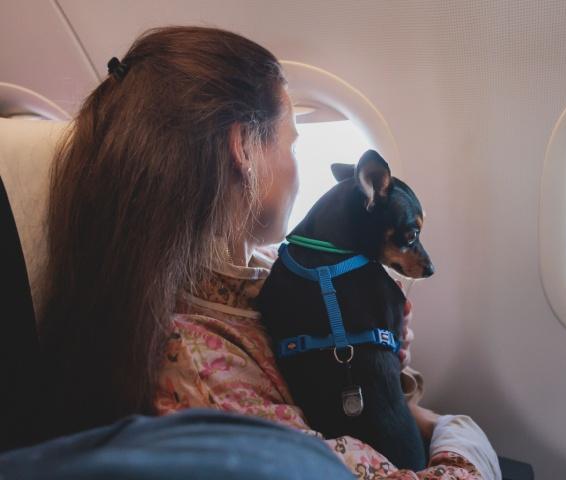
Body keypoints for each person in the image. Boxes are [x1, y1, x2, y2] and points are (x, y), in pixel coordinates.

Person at [40, 26, 501, 480]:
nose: (298, 162)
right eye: (292, 141)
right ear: (244, 147)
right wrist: (456, 430)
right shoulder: (197, 369)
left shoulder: (262, 273)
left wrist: (382, 358)